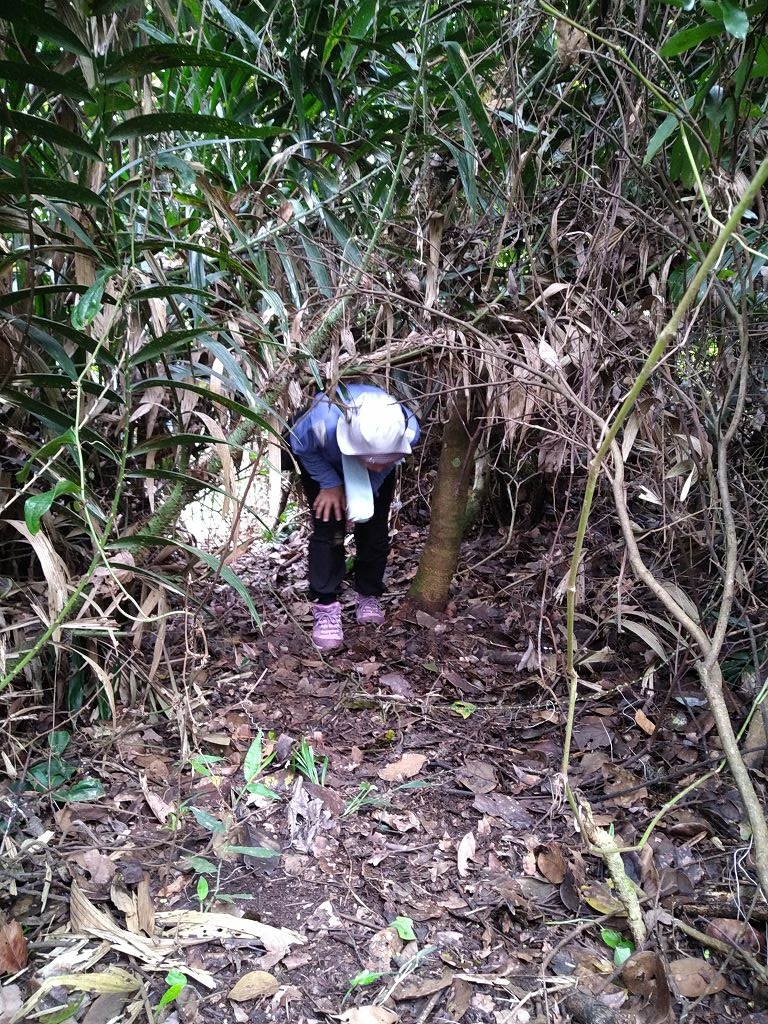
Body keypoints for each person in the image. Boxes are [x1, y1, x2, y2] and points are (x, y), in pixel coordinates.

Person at [287, 383, 419, 651]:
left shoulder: (407, 428)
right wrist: (329, 484)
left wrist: (364, 494)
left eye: (387, 458)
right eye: (375, 460)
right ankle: (326, 605)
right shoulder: (321, 425)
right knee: (328, 530)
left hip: (371, 475)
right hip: (324, 461)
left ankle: (368, 594)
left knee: (374, 529)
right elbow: (300, 448)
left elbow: (385, 466)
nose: (381, 464)